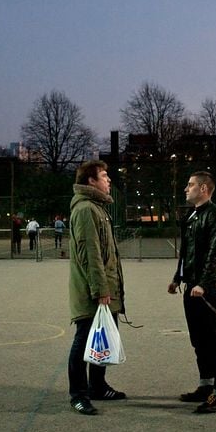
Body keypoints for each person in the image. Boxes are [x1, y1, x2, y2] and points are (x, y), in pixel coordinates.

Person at [167, 170, 216, 414]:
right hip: (192, 286)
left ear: (204, 189)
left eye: (191, 184)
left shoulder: (215, 215)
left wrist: (203, 284)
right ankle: (206, 386)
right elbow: (186, 251)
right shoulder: (193, 215)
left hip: (208, 288)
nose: (186, 188)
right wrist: (177, 278)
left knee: (214, 340)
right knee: (198, 339)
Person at [67, 160, 126, 415]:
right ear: (91, 181)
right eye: (104, 175)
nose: (108, 180)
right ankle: (78, 394)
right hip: (93, 292)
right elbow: (89, 254)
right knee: (84, 341)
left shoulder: (97, 207)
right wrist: (100, 290)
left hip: (104, 290)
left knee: (100, 341)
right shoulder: (85, 210)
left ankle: (98, 386)